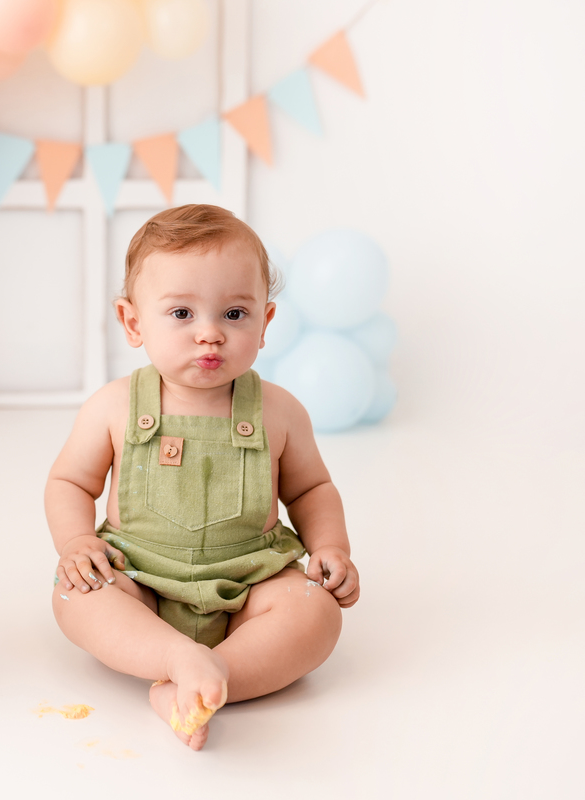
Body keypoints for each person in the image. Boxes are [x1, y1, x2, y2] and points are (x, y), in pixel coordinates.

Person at [46, 204, 360, 751]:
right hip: (139, 575)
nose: (210, 334)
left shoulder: (280, 411)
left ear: (265, 322)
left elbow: (311, 489)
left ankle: (206, 680)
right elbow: (69, 482)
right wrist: (76, 541)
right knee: (78, 597)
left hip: (250, 578)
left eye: (234, 314)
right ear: (133, 322)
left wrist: (331, 546)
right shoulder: (113, 406)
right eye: (182, 313)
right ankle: (175, 658)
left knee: (316, 614)